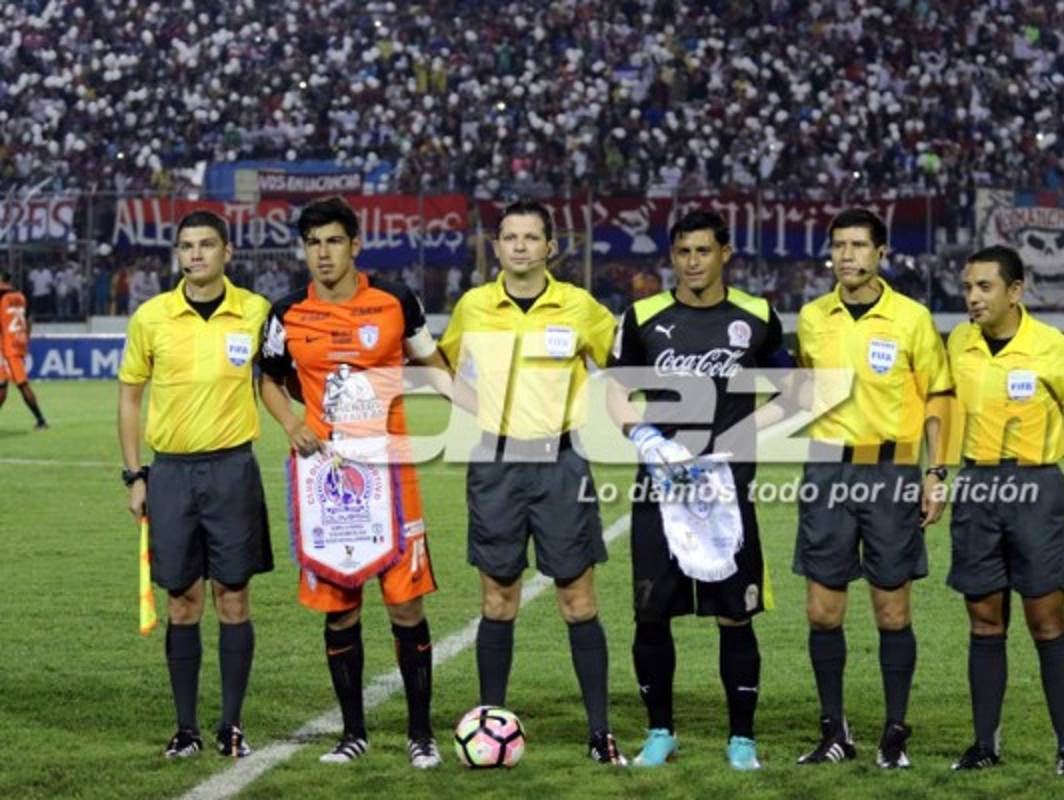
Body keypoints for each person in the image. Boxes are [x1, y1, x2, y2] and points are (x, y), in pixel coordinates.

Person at [438, 199, 627, 765]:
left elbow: (616, 366)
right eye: (509, 237)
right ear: (496, 247)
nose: (519, 246)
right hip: (494, 466)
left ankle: (599, 732)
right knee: (497, 598)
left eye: (530, 237)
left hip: (562, 465)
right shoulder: (474, 307)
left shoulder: (578, 307)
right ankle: (491, 722)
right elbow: (440, 366)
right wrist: (475, 404)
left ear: (550, 247)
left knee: (578, 597)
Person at [258, 196, 445, 768]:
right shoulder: (285, 312)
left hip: (391, 478)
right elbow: (267, 380)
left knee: (406, 607)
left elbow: (434, 364)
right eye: (313, 243)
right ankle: (353, 732)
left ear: (355, 245)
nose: (322, 253)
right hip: (327, 482)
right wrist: (292, 423)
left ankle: (421, 733)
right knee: (339, 607)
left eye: (333, 241)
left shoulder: (394, 302)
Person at [607, 209, 793, 771]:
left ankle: (742, 740)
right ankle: (660, 732)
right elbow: (613, 389)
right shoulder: (642, 315)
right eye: (683, 252)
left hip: (728, 490)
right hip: (660, 488)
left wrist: (736, 437)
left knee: (735, 614)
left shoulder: (758, 316)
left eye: (703, 251)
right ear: (673, 255)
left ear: (725, 254)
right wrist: (643, 435)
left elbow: (794, 395)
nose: (692, 262)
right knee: (651, 613)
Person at [946, 245, 1064, 777]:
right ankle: (984, 745)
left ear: (1015, 291)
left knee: (1046, 622)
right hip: (976, 485)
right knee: (984, 621)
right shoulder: (959, 342)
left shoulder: (1052, 347)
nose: (973, 297)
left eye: (984, 287)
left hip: (1035, 489)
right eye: (969, 287)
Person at [793, 208, 953, 769]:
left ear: (881, 253)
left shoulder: (912, 319)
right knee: (822, 613)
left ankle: (894, 732)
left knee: (892, 611)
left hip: (891, 472)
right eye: (839, 245)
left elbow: (939, 396)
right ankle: (834, 731)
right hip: (827, 471)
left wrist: (937, 473)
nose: (846, 255)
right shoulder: (813, 317)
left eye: (859, 245)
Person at [117, 210, 273, 759]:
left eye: (207, 244)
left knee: (234, 596)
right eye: (187, 246)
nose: (197, 254)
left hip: (233, 468)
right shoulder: (152, 316)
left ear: (226, 252)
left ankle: (232, 725)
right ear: (178, 254)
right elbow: (131, 396)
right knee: (182, 601)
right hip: (172, 473)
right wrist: (136, 474)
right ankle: (186, 729)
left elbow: (276, 382)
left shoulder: (254, 311)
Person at [0, 271, 48, 428]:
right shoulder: (20, 296)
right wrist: (26, 336)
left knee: (21, 384)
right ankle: (40, 420)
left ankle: (41, 420)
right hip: (18, 341)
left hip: (7, 346)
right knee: (2, 383)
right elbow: (29, 318)